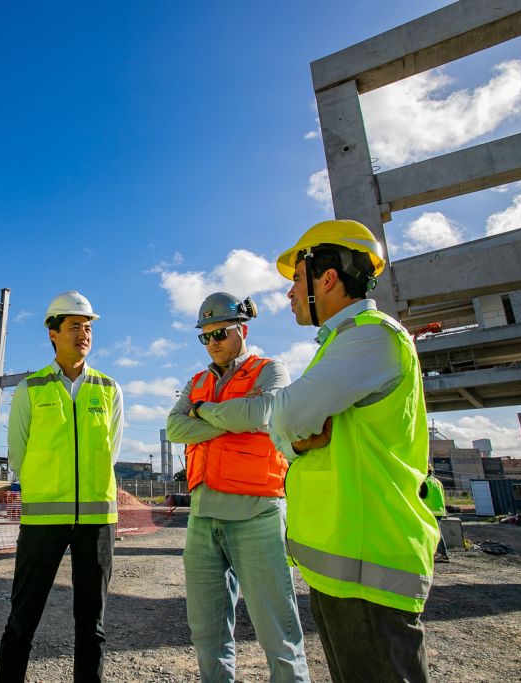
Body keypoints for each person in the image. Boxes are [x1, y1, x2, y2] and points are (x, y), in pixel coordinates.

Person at [268, 219, 438, 682]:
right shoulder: (344, 343)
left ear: (327, 278)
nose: (288, 294)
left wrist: (292, 438)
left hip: (371, 562)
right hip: (348, 560)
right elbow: (293, 422)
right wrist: (298, 438)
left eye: (296, 280)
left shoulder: (371, 336)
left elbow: (283, 416)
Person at [167, 292, 309, 683]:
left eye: (221, 333)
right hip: (202, 515)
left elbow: (263, 413)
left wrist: (203, 412)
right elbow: (175, 428)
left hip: (257, 512)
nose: (212, 342)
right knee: (207, 633)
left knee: (277, 633)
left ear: (241, 330)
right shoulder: (196, 380)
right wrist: (232, 419)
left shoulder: (269, 370)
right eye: (206, 336)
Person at [0, 291, 124, 683]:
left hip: (98, 523)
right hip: (42, 522)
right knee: (22, 620)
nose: (84, 334)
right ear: (52, 333)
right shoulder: (30, 389)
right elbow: (17, 453)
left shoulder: (109, 389)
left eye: (88, 328)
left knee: (93, 627)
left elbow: (111, 452)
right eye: (74, 327)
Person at [420, 467, 449, 562]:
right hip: (439, 510)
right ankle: (436, 552)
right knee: (434, 532)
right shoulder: (438, 482)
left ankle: (443, 554)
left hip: (430, 511)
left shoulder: (425, 482)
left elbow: (422, 496)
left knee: (434, 532)